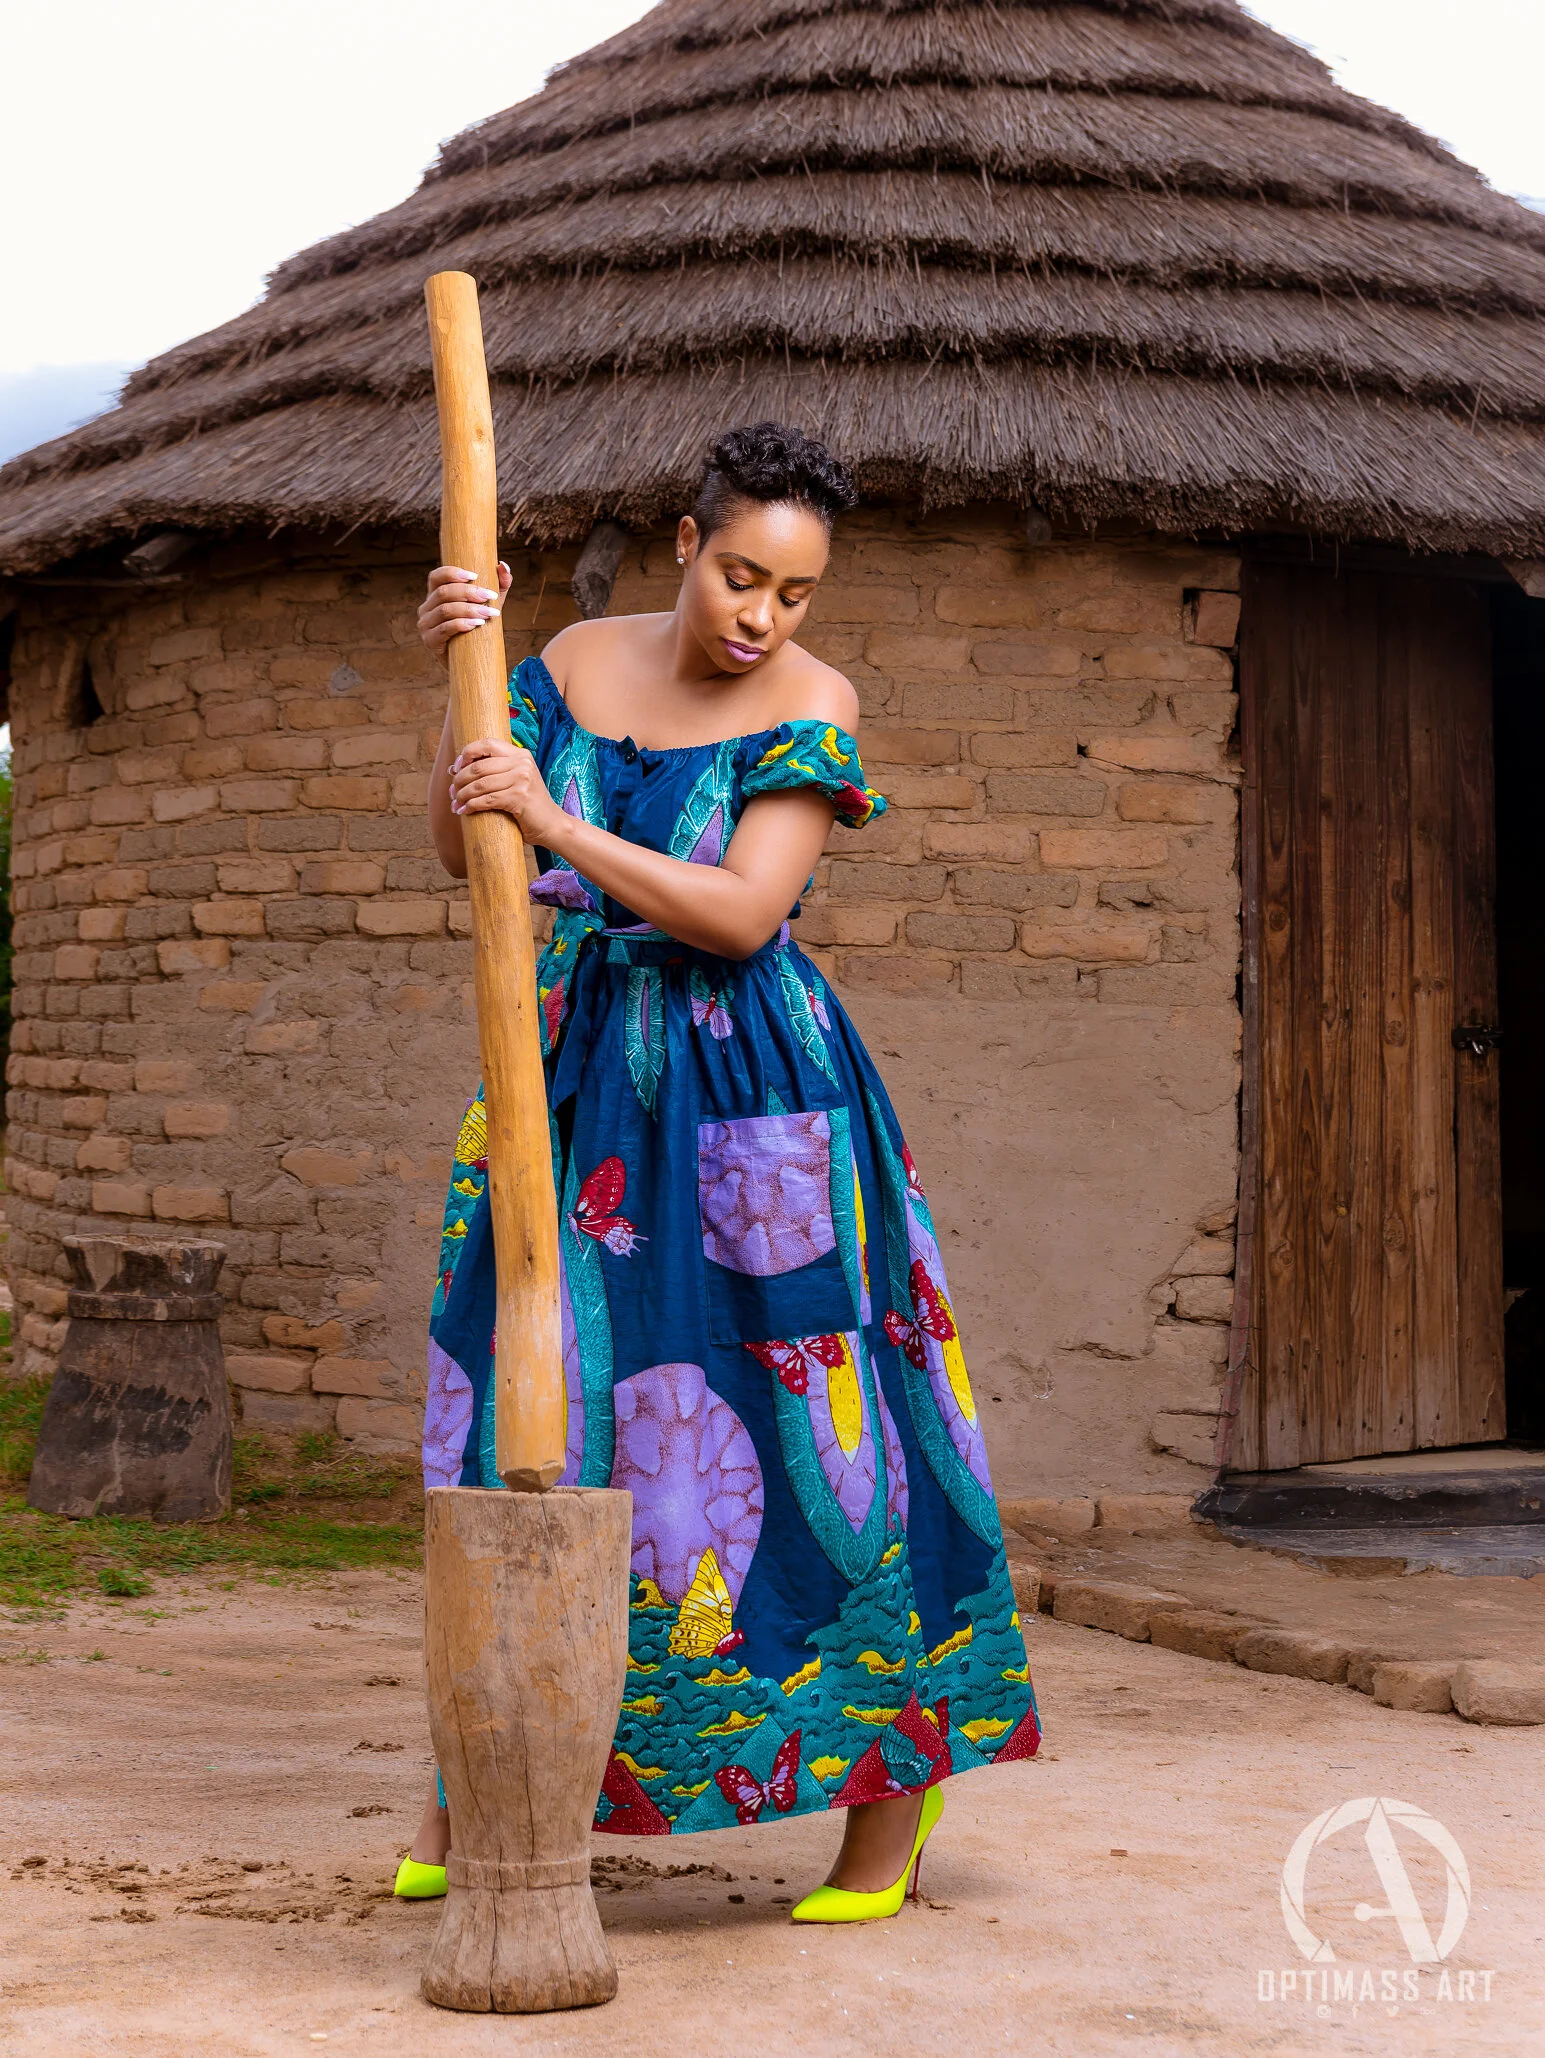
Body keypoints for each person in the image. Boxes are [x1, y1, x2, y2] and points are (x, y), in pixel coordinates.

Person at [397, 423, 1039, 1924]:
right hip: (565, 1082)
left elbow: (746, 913)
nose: (762, 616)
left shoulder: (815, 705)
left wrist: (558, 822)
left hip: (756, 1093)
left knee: (820, 1427)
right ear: (687, 546)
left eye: (795, 592)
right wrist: (463, 683)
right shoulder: (561, 663)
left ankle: (890, 1800)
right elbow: (455, 847)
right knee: (517, 1411)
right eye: (742, 575)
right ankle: (491, 1787)